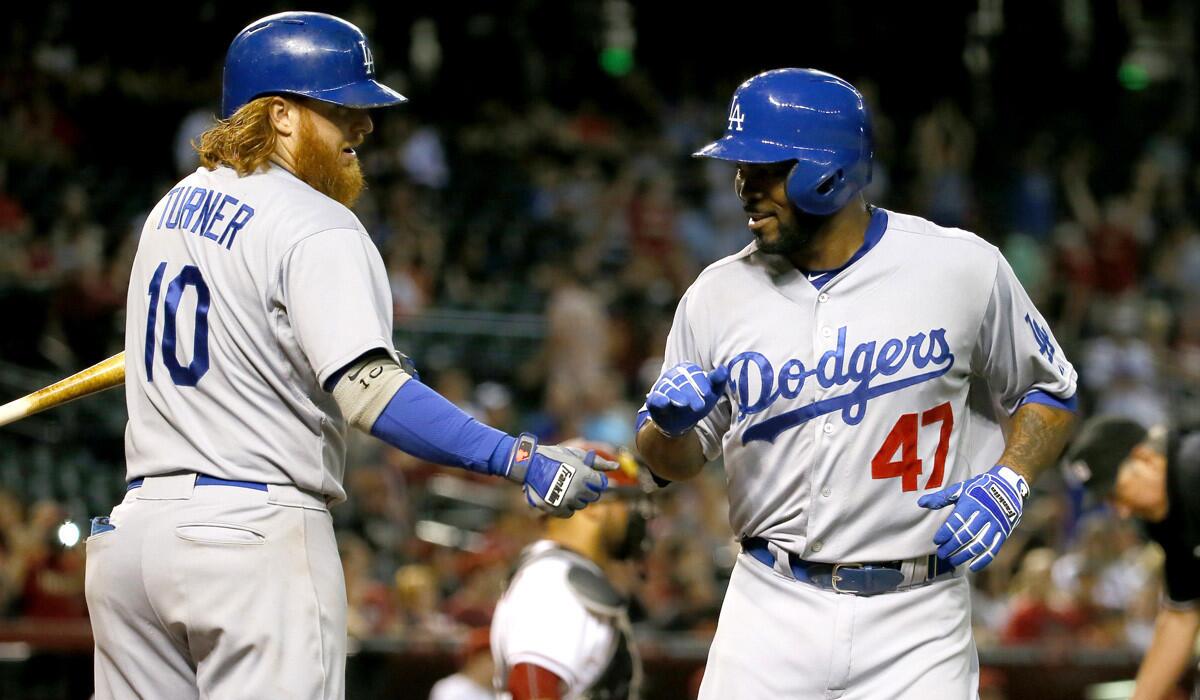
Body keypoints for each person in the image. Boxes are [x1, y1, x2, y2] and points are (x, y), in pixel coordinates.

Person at [83, 12, 613, 700]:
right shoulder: (318, 223)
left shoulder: (171, 207)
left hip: (134, 543)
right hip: (249, 540)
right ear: (278, 115)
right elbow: (372, 397)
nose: (363, 128)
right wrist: (520, 458)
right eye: (340, 109)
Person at [634, 68, 1078, 698]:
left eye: (765, 169)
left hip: (918, 617)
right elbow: (667, 464)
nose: (743, 188)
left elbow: (1050, 392)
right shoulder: (716, 294)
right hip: (769, 604)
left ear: (828, 171)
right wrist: (664, 430)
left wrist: (1011, 480)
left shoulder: (959, 267)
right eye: (741, 169)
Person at [491, 444, 654, 699]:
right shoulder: (553, 581)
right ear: (593, 505)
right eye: (625, 502)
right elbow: (531, 688)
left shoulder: (558, 573)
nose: (635, 517)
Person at [1064, 415, 1200, 700]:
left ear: (1145, 458)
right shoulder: (1166, 517)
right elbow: (1181, 617)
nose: (1122, 512)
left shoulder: (1193, 466)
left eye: (1117, 493)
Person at [428, 627, 495, 700]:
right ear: (475, 659)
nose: (497, 666)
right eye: (491, 659)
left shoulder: (497, 691)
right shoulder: (450, 689)